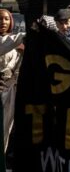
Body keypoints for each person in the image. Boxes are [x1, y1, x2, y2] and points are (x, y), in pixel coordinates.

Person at [0, 9, 25, 161]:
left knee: (5, 130)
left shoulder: (18, 45)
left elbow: (18, 67)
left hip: (9, 90)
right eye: (0, 19)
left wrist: (12, 81)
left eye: (6, 19)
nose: (3, 22)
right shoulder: (13, 41)